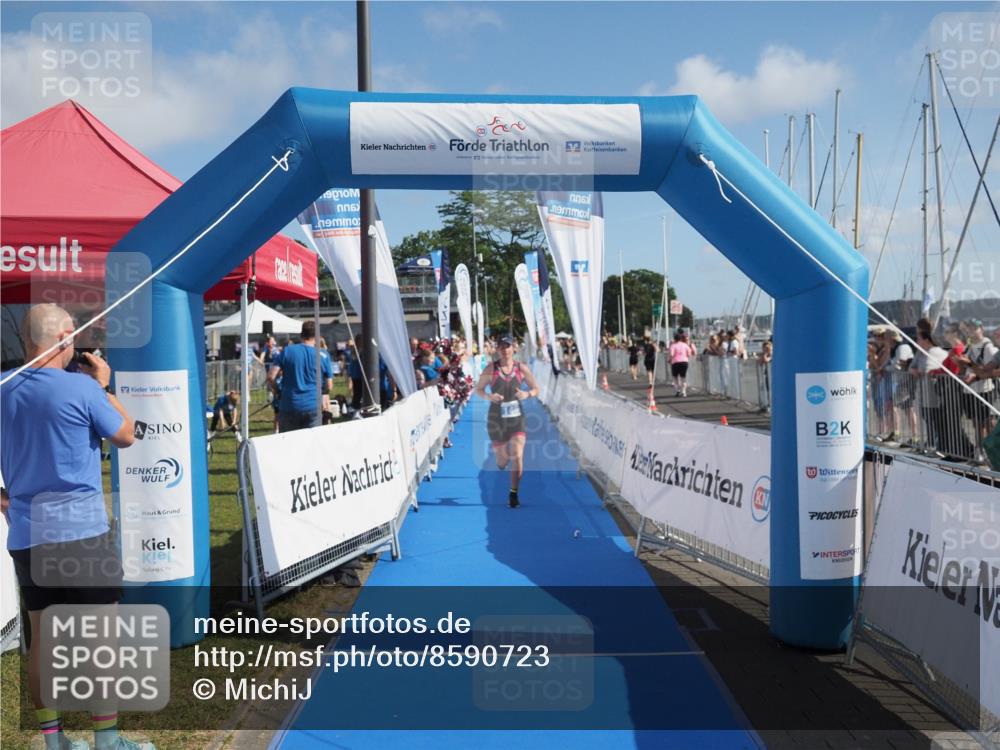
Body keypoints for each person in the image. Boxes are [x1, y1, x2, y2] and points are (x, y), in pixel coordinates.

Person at [1, 304, 153, 750]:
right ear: (66, 338)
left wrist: (5, 499)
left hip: (28, 536)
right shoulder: (81, 389)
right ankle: (106, 741)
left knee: (43, 642)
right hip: (82, 534)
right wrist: (105, 387)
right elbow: (127, 434)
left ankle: (55, 741)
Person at [475, 334, 539, 508]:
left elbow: (536, 389)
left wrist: (527, 394)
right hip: (496, 419)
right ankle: (501, 459)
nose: (505, 350)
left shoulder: (522, 368)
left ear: (514, 348)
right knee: (502, 461)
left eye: (508, 346)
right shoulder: (491, 369)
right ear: (498, 349)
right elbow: (478, 389)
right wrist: (489, 396)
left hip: (517, 417)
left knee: (517, 454)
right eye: (502, 346)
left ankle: (513, 493)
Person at [267, 320, 333, 432]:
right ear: (317, 336)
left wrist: (278, 391)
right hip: (313, 406)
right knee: (312, 445)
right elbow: (329, 385)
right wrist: (324, 394)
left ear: (301, 334)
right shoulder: (323, 355)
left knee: (288, 444)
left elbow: (270, 377)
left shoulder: (287, 351)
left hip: (289, 404)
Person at [668, 331, 696, 397]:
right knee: (683, 377)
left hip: (675, 362)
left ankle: (678, 390)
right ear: (680, 338)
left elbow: (671, 354)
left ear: (674, 339)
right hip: (684, 362)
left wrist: (669, 360)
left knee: (675, 377)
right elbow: (689, 353)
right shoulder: (685, 345)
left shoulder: (673, 345)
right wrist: (686, 357)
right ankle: (684, 392)